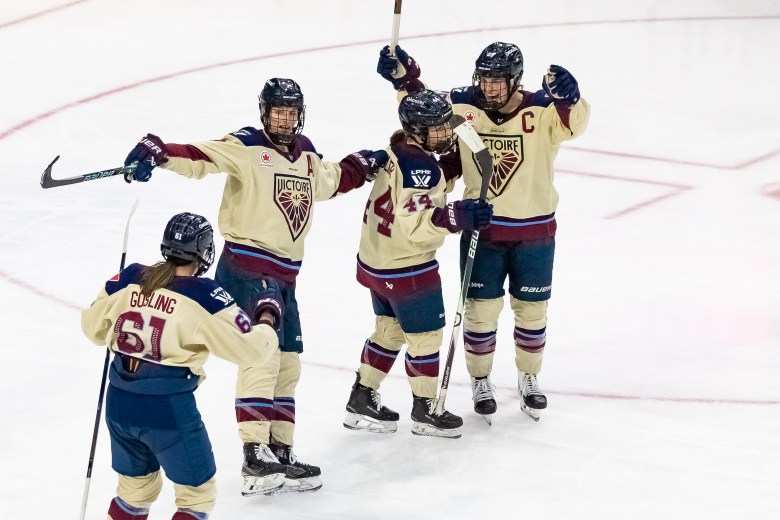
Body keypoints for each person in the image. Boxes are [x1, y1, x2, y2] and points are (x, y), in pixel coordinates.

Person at [122, 78, 388, 494]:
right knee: (261, 357)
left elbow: (331, 180)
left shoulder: (305, 154)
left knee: (288, 364)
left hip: (285, 277)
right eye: (278, 112)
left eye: (291, 112)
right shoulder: (246, 146)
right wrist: (161, 152)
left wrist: (363, 164)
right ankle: (254, 454)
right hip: (247, 268)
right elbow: (201, 157)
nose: (285, 120)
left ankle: (280, 451)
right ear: (264, 113)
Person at [376, 42, 590, 421]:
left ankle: (528, 377)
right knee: (480, 313)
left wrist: (571, 100)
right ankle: (480, 380)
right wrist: (405, 78)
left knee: (532, 312)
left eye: (497, 81)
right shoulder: (464, 106)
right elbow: (426, 110)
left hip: (535, 232)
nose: (489, 88)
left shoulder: (542, 108)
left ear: (515, 80)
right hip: (484, 231)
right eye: (485, 80)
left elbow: (574, 124)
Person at [81, 212, 286, 520]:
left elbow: (92, 328)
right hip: (167, 409)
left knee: (134, 492)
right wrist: (267, 316)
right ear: (203, 252)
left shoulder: (130, 276)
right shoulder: (204, 295)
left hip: (119, 404)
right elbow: (251, 351)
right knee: (196, 497)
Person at [343, 89, 493, 439]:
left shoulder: (398, 152)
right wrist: (457, 215)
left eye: (445, 125)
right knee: (425, 338)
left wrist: (448, 170)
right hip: (406, 267)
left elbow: (425, 187)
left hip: (376, 263)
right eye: (436, 128)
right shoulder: (420, 167)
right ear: (416, 130)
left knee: (389, 331)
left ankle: (362, 396)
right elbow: (416, 222)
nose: (444, 132)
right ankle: (426, 410)